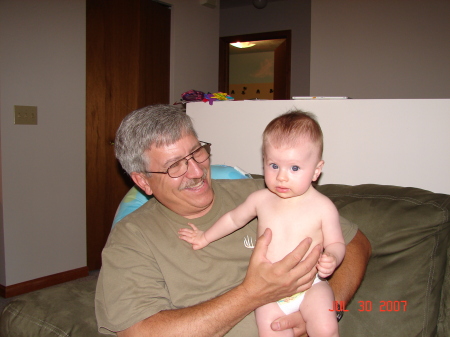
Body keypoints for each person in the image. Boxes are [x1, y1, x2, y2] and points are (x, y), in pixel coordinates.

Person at [95, 104, 371, 337]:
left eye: (197, 152)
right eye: (175, 165)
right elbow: (140, 332)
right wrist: (253, 293)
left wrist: (323, 312)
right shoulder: (132, 238)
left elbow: (355, 243)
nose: (196, 171)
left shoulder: (263, 193)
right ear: (143, 180)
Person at [179, 111, 344, 337]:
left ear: (316, 169)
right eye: (274, 165)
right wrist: (205, 237)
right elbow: (233, 219)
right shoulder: (260, 200)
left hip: (311, 286)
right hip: (267, 292)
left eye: (294, 168)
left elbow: (336, 242)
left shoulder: (323, 207)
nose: (282, 177)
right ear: (264, 161)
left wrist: (332, 258)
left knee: (326, 328)